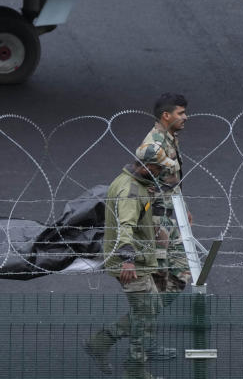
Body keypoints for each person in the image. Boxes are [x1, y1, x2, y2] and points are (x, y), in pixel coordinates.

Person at [84, 159, 164, 379]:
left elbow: (140, 212)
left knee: (153, 308)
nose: (163, 171)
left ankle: (99, 343)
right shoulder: (131, 192)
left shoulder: (131, 182)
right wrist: (127, 259)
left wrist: (150, 195)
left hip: (139, 261)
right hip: (132, 265)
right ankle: (135, 371)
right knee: (143, 318)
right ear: (144, 165)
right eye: (159, 168)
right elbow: (125, 226)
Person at [134, 93, 191, 361]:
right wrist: (164, 160)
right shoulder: (155, 141)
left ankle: (130, 329)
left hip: (171, 215)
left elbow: (171, 182)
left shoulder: (171, 138)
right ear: (166, 116)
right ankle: (140, 346)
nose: (185, 117)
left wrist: (183, 207)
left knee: (180, 275)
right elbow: (143, 154)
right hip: (156, 222)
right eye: (180, 113)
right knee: (156, 282)